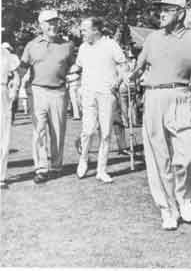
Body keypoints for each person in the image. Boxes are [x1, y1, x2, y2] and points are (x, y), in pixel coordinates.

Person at [128, 0, 191, 230]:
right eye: (159, 9)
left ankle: (183, 197)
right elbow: (138, 66)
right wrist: (129, 76)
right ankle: (167, 209)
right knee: (158, 158)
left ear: (181, 13)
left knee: (189, 155)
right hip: (153, 98)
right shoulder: (152, 38)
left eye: (167, 9)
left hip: (181, 97)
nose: (160, 14)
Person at [19, 10, 74, 184]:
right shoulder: (31, 45)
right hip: (37, 92)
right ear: (41, 25)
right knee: (39, 131)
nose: (54, 25)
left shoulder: (68, 45)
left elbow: (74, 66)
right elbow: (22, 68)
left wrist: (74, 74)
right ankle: (41, 168)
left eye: (56, 22)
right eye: (50, 22)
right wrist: (12, 85)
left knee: (57, 131)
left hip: (59, 92)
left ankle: (56, 166)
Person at [75, 17, 129, 183]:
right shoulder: (83, 47)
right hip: (88, 93)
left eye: (84, 30)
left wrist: (118, 80)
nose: (81, 33)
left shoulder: (111, 44)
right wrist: (78, 87)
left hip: (107, 93)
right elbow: (79, 69)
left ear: (96, 30)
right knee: (88, 130)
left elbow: (124, 66)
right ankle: (83, 160)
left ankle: (101, 170)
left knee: (105, 133)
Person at [1, 43, 20, 189]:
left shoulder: (7, 55)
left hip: (2, 93)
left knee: (3, 135)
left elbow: (16, 75)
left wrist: (14, 89)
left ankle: (1, 176)